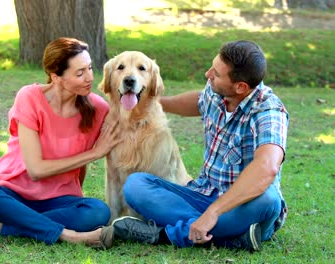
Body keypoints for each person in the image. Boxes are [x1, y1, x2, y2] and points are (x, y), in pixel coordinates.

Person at [101, 40, 289, 252]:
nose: (208, 74)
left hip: (243, 205)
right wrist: (149, 102)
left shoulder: (269, 112)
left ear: (241, 87)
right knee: (136, 185)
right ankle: (233, 238)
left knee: (269, 199)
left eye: (216, 74)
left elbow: (266, 169)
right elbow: (200, 100)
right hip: (201, 196)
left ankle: (164, 234)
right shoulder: (218, 92)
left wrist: (213, 213)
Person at [0, 37, 121, 248]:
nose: (89, 77)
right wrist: (95, 153)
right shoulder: (30, 97)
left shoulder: (98, 108)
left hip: (57, 200)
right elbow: (36, 169)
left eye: (89, 68)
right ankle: (69, 236)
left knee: (98, 211)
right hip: (13, 194)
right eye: (80, 73)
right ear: (56, 76)